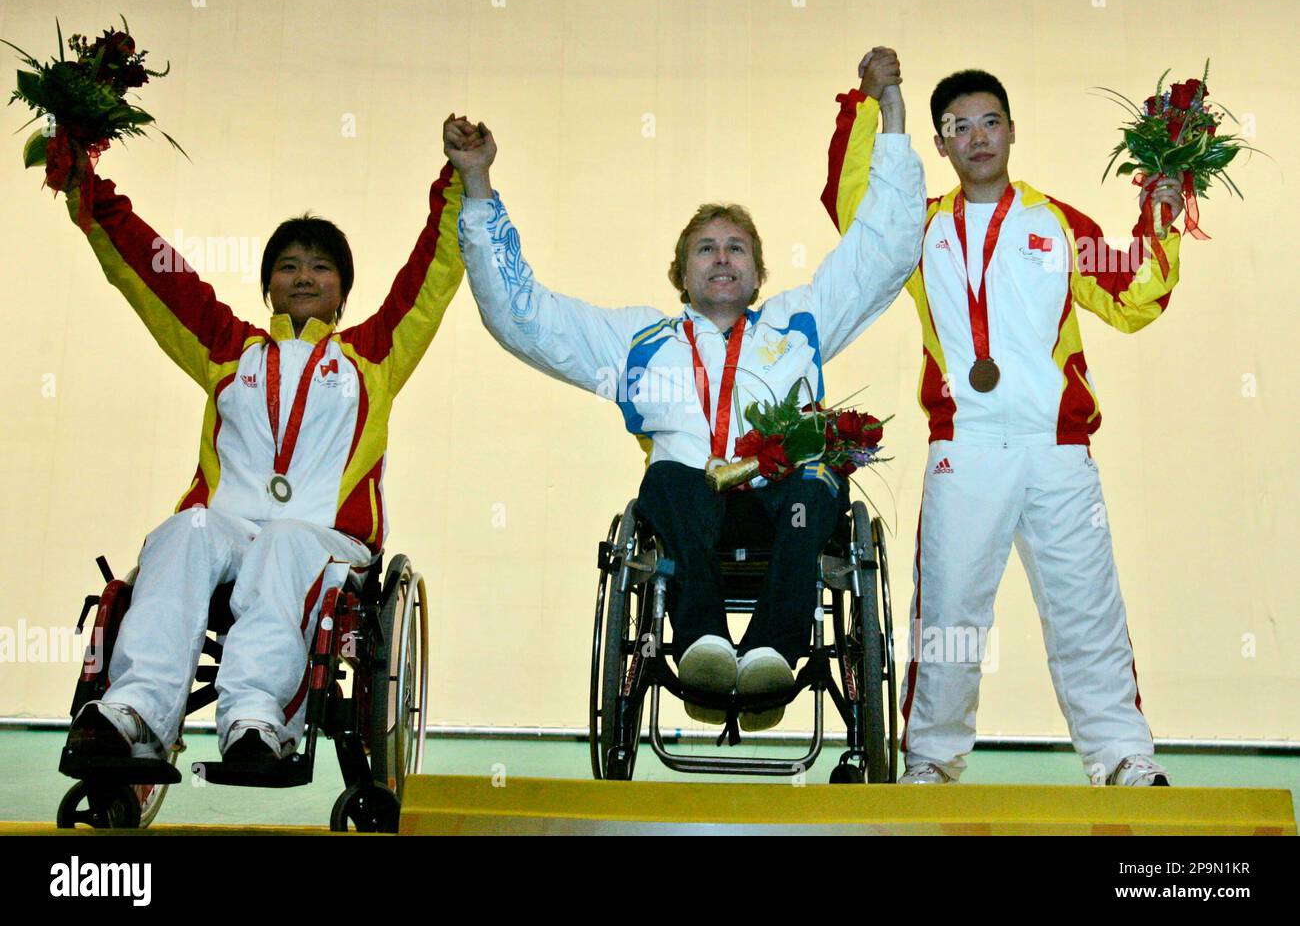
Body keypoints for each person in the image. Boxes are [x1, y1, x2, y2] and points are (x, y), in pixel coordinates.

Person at [447, 49, 925, 731]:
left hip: (781, 510)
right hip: (688, 508)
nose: (723, 258)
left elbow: (884, 247)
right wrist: (478, 186)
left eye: (737, 248)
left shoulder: (799, 324)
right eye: (706, 248)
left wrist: (894, 111)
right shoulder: (641, 340)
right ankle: (701, 643)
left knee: (817, 478)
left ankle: (771, 652)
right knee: (668, 477)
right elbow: (526, 316)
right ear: (682, 273)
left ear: (759, 274)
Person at [57, 117, 467, 767]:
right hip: (229, 531)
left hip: (326, 541)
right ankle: (132, 710)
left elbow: (433, 270)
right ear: (267, 282)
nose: (303, 276)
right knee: (184, 529)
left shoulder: (374, 353)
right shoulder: (226, 347)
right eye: (287, 265)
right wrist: (90, 190)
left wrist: (459, 177)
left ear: (344, 289)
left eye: (321, 266)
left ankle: (254, 718)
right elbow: (155, 270)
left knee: (283, 541)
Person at [821, 68, 1185, 786]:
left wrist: (1161, 219)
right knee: (951, 619)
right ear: (939, 144)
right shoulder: (916, 227)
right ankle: (930, 760)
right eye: (960, 127)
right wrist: (868, 103)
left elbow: (1134, 294)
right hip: (967, 449)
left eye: (990, 121)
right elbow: (850, 203)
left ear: (1013, 129)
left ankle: (1123, 759)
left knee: (1086, 612)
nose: (978, 137)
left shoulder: (1058, 222)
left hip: (1059, 450)